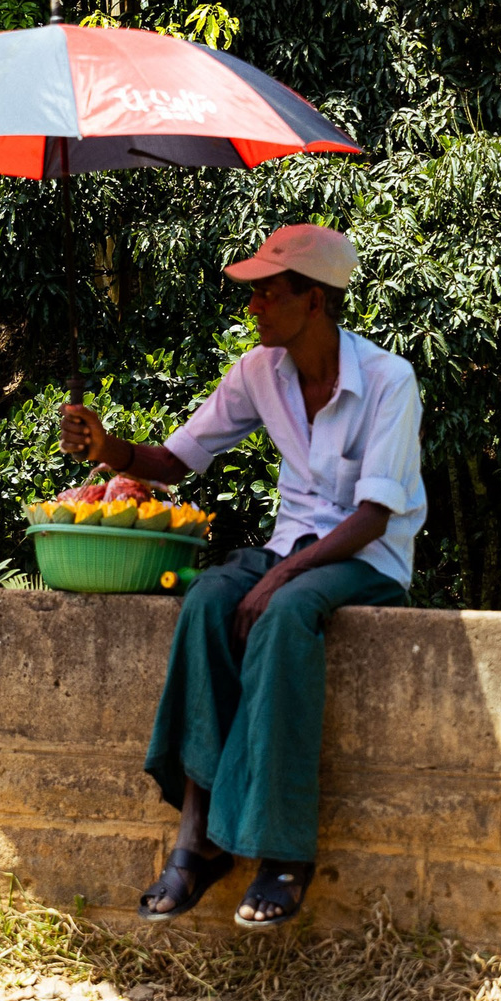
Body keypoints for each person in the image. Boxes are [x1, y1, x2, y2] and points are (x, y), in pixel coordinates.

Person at [58, 222, 424, 930]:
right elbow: (172, 460)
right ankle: (198, 838)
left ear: (313, 301)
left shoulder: (388, 381)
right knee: (205, 601)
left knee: (284, 615)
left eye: (266, 293)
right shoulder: (259, 371)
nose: (251, 307)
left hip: (365, 560)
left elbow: (376, 515)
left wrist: (281, 576)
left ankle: (284, 853)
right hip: (292, 547)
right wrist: (109, 446)